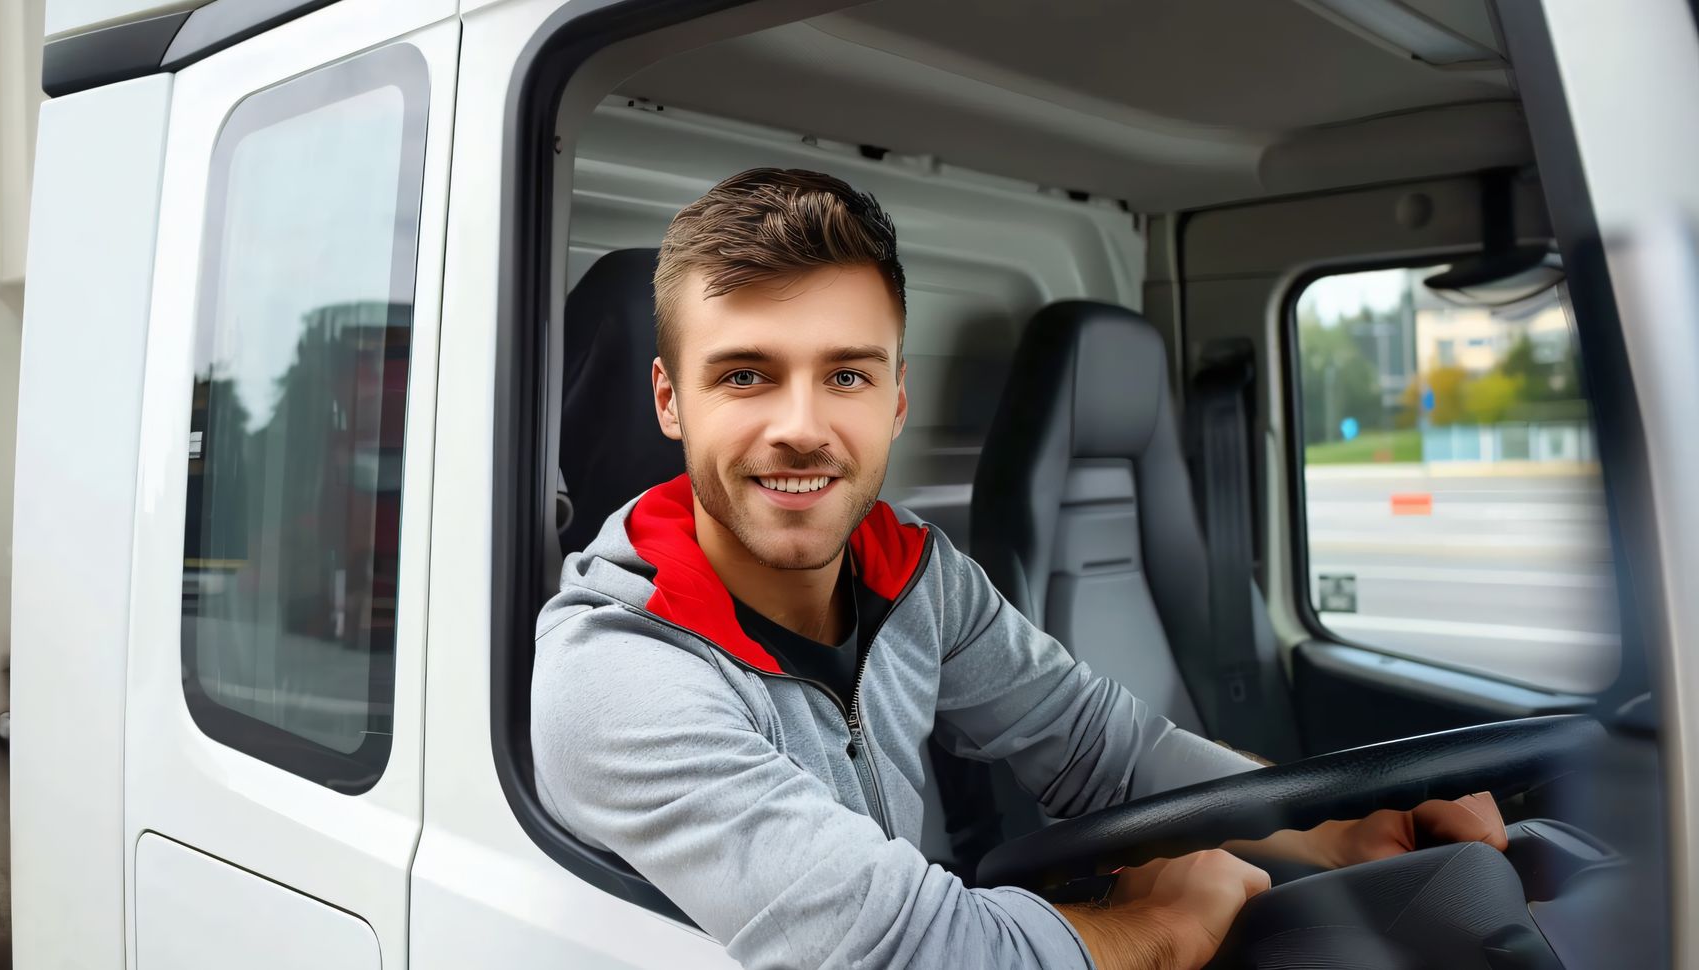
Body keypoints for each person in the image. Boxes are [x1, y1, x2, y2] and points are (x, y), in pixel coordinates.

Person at [530, 168, 1506, 970]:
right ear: (669, 400)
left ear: (896, 398)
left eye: (846, 374)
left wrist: (1341, 818)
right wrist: (1159, 930)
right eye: (745, 374)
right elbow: (905, 953)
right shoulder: (613, 672)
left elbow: (1100, 747)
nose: (800, 427)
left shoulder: (915, 573)